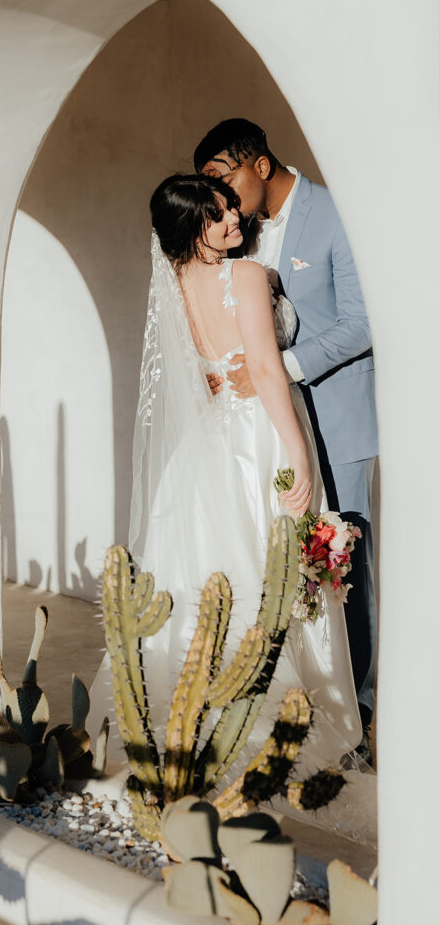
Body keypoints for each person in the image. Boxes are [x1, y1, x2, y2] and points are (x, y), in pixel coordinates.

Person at [88, 174, 371, 841]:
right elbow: (269, 373)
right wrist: (298, 457)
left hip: (211, 441)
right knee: (272, 576)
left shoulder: (174, 286)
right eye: (213, 218)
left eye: (227, 209)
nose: (231, 221)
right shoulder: (243, 276)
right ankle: (286, 722)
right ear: (191, 232)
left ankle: (191, 726)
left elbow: (209, 371)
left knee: (218, 575)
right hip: (259, 435)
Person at [193, 120, 377, 764]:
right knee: (280, 567)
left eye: (226, 179)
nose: (223, 197)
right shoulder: (241, 232)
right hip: (269, 431)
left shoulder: (332, 214)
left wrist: (285, 371)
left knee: (341, 564)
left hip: (336, 415)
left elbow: (362, 324)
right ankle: (290, 703)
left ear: (262, 165)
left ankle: (359, 707)